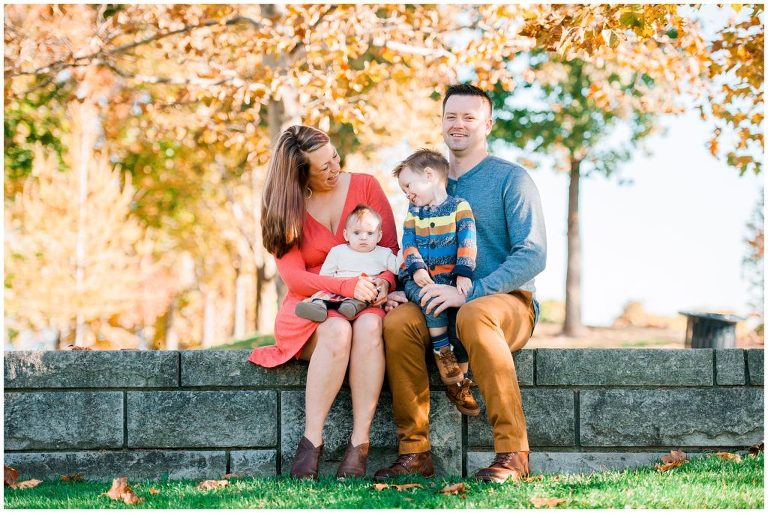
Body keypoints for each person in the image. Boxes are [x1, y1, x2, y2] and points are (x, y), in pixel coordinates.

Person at [375, 84, 546, 483]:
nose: (459, 124)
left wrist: (470, 290)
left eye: (469, 117)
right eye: (451, 116)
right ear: (441, 122)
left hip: (504, 303)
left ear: (487, 124)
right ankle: (414, 453)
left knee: (473, 315)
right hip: (437, 306)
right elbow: (412, 250)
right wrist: (406, 286)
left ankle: (512, 454)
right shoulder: (423, 183)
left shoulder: (511, 179)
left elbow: (533, 253)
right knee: (398, 325)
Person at [248, 125, 399, 480]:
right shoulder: (287, 207)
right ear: (301, 175)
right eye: (324, 167)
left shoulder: (365, 186)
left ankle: (359, 443)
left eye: (334, 157)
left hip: (366, 302)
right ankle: (311, 442)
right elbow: (296, 279)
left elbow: (391, 252)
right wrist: (347, 285)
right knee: (335, 331)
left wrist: (382, 283)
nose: (335, 167)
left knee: (369, 325)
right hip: (312, 306)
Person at [393, 148, 480, 416]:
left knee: (459, 323)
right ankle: (446, 364)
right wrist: (417, 268)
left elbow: (467, 240)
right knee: (431, 303)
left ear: (429, 176)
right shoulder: (414, 212)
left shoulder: (459, 206)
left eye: (408, 185)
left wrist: (464, 272)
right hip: (422, 281)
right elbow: (408, 241)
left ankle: (460, 382)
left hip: (450, 280)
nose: (407, 193)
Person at [295, 204, 399, 322]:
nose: (363, 237)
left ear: (379, 236)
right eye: (356, 233)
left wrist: (404, 252)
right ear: (346, 235)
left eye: (370, 233)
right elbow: (325, 276)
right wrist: (316, 294)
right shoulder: (338, 251)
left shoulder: (384, 253)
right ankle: (317, 308)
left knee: (368, 296)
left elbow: (397, 268)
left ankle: (350, 308)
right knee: (321, 296)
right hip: (337, 290)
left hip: (364, 293)